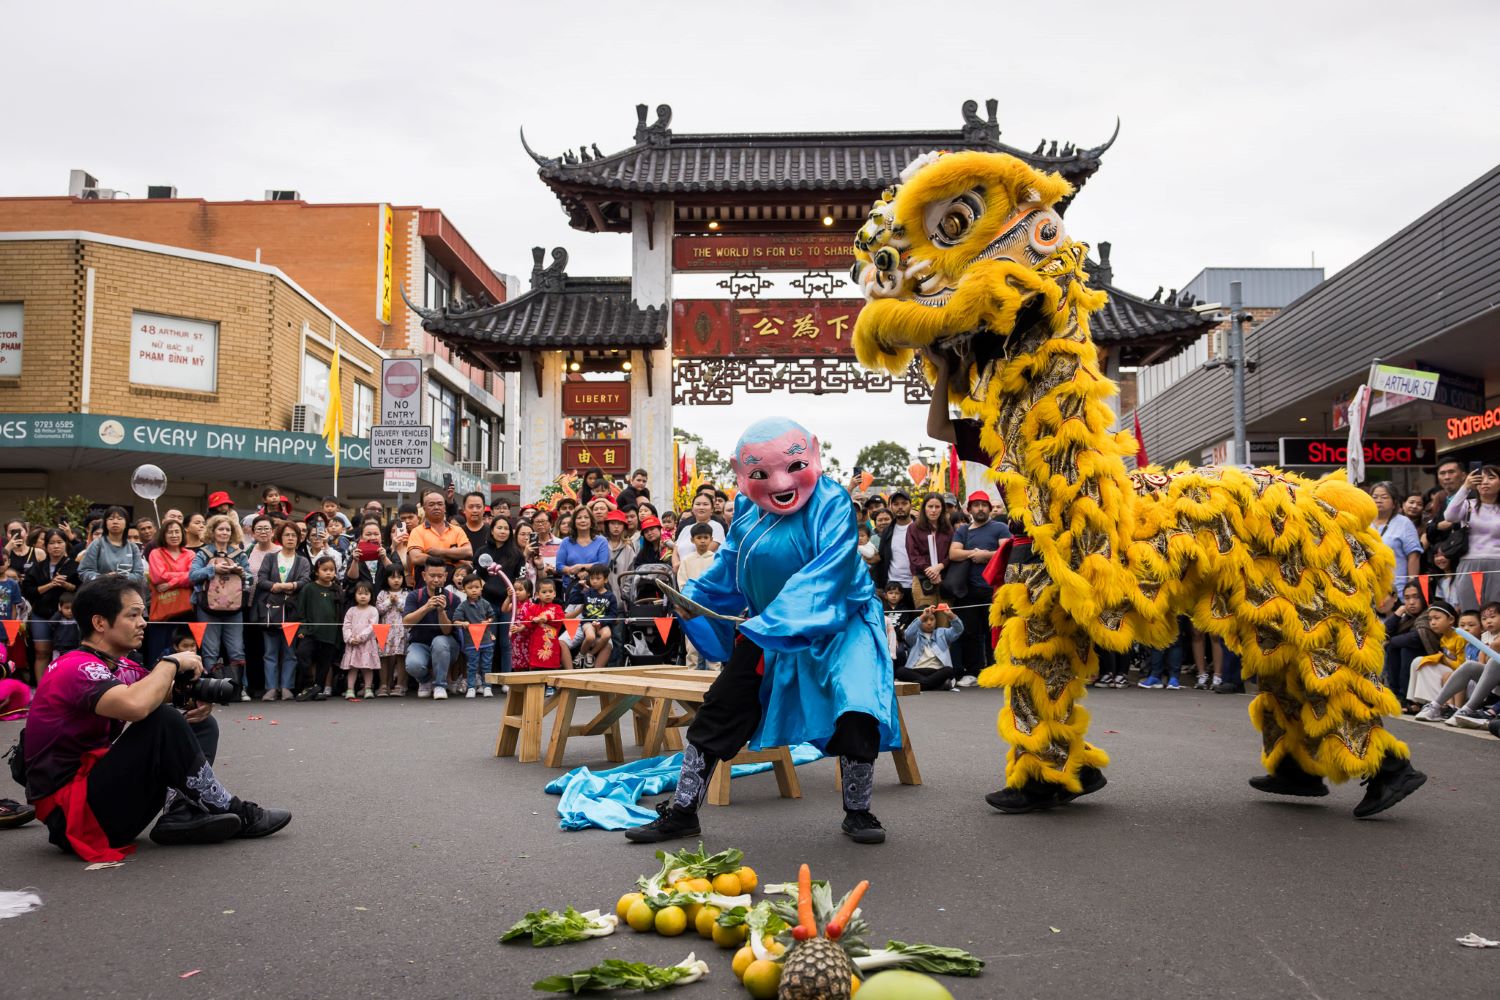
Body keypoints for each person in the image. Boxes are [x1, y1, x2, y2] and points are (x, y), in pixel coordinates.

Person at [626, 417, 900, 847]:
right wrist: (690, 600)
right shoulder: (748, 514)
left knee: (857, 705)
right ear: (739, 472)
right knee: (721, 706)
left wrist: (769, 623)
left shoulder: (831, 503)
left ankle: (858, 810)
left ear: (814, 452)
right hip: (769, 627)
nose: (779, 483)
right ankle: (682, 811)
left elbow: (829, 573)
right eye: (759, 474)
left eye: (793, 466)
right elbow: (727, 571)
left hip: (842, 625)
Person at [20, 576, 289, 860]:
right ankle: (230, 809)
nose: (143, 623)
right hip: (72, 815)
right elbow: (136, 706)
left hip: (98, 797)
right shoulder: (74, 667)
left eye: (142, 614)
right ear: (100, 623)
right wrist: (171, 661)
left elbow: (160, 692)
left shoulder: (118, 664)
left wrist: (195, 700)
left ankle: (180, 813)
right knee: (163, 719)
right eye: (132, 615)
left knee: (199, 723)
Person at [947, 491, 1010, 686]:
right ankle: (973, 672)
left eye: (984, 505)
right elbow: (953, 553)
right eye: (976, 505)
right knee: (971, 632)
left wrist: (986, 555)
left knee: (996, 630)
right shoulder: (963, 530)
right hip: (969, 590)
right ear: (969, 509)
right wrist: (973, 553)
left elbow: (1006, 551)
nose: (980, 508)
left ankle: (998, 670)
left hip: (995, 589)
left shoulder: (999, 527)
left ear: (990, 509)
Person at [189, 515, 250, 696]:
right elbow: (192, 576)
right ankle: (213, 689)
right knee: (210, 650)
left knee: (237, 649)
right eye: (221, 529)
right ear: (213, 532)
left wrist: (241, 573)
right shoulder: (203, 553)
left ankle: (239, 689)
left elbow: (252, 579)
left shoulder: (239, 554)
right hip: (208, 608)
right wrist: (212, 570)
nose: (224, 532)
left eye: (228, 530)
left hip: (234, 607)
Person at [1414, 601, 1500, 727]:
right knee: (1470, 665)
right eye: (1484, 618)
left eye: (1493, 617)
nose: (1488, 621)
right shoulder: (1486, 636)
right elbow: (1483, 663)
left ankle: (1467, 710)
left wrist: (1493, 647)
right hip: (1493, 681)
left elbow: (1494, 651)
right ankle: (1435, 706)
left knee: (1494, 662)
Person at [253, 522, 309, 701]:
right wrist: (275, 586)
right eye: (287, 535)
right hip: (271, 610)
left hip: (292, 611)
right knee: (270, 652)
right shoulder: (270, 558)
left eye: (294, 535)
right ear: (280, 537)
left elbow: (305, 580)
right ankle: (270, 688)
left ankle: (286, 687)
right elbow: (261, 579)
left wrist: (292, 585)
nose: (291, 538)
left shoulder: (302, 560)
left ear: (299, 538)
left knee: (290, 652)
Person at [402, 557, 460, 699]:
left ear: (446, 576)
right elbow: (406, 623)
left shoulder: (453, 599)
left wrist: (441, 611)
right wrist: (426, 607)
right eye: (432, 575)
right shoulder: (414, 596)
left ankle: (440, 685)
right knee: (413, 664)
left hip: (446, 646)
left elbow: (447, 631)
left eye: (440, 576)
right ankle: (426, 680)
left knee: (440, 642)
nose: (436, 580)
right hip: (420, 643)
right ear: (424, 575)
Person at [22, 529, 80, 668]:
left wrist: (66, 585)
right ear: (46, 546)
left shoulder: (74, 566)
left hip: (67, 616)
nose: (56, 546)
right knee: (41, 652)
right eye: (52, 543)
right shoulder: (37, 567)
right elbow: (28, 591)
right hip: (41, 614)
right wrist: (51, 584)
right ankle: (42, 688)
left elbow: (82, 589)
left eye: (59, 542)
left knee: (67, 652)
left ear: (65, 544)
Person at [1445, 465, 1500, 606]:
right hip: (1469, 562)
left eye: (1491, 478)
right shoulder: (1468, 505)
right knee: (1470, 611)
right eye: (1481, 478)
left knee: (1495, 613)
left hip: (1497, 563)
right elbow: (1449, 515)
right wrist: (1465, 487)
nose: (1485, 482)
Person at [144, 520, 194, 667]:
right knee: (158, 651)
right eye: (169, 532)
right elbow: (158, 576)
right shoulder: (155, 553)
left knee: (183, 649)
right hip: (162, 611)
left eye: (177, 531)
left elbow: (193, 577)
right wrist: (182, 577)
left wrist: (171, 583)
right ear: (163, 535)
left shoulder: (190, 553)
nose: (174, 535)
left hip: (186, 610)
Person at [293, 556, 343, 701]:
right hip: (310, 632)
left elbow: (339, 613)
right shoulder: (309, 588)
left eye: (331, 570)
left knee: (325, 663)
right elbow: (301, 611)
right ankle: (309, 684)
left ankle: (318, 689)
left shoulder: (337, 590)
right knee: (302, 654)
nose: (328, 573)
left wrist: (338, 634)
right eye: (324, 570)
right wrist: (302, 629)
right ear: (316, 571)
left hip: (330, 633)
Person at [477, 518, 522, 676]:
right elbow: (476, 576)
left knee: (506, 642)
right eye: (499, 528)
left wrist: (511, 596)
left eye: (506, 529)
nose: (503, 531)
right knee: (488, 642)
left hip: (508, 604)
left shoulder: (516, 553)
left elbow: (520, 578)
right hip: (486, 603)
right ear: (492, 530)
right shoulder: (482, 551)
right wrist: (485, 587)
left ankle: (506, 678)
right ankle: (485, 679)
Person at [1406, 600, 1467, 709]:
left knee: (1424, 664)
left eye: (1437, 618)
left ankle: (1439, 704)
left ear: (1451, 620)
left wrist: (1443, 659)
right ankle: (1416, 702)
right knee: (1418, 661)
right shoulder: (1443, 638)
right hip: (1450, 670)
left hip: (1460, 675)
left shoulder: (1460, 638)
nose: (1432, 622)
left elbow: (1462, 667)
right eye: (1430, 619)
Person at [1383, 582, 1434, 708]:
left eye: (1416, 597)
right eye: (1407, 598)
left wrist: (1391, 641)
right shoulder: (1405, 617)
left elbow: (1416, 638)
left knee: (1405, 648)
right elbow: (1383, 633)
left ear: (1424, 597)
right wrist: (1397, 614)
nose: (1411, 602)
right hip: (1410, 659)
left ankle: (1406, 697)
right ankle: (1396, 694)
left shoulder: (1431, 614)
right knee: (1393, 648)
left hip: (1431, 658)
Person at [1370, 481, 1422, 605]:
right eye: (1375, 497)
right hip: (1369, 587)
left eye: (1384, 497)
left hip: (1396, 587)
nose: (1378, 500)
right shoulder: (1364, 522)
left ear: (1394, 503)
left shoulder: (1404, 523)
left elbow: (1413, 555)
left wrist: (1412, 583)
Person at [407, 490, 471, 584]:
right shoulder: (417, 531)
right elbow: (416, 558)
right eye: (431, 504)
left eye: (440, 504)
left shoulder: (457, 530)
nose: (436, 507)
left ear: (444, 508)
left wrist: (439, 552)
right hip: (425, 585)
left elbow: (468, 552)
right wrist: (455, 559)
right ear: (424, 508)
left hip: (453, 585)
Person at [676, 523, 718, 669]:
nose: (702, 541)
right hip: (691, 609)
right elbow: (682, 584)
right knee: (692, 649)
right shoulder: (687, 560)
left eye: (706, 537)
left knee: (713, 646)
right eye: (699, 537)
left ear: (711, 539)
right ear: (692, 540)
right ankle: (691, 677)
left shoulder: (716, 559)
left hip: (711, 608)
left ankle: (714, 679)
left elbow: (718, 584)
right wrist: (691, 600)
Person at [78, 506, 146, 593]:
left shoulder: (133, 548)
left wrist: (120, 576)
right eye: (111, 519)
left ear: (126, 523)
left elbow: (139, 575)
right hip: (99, 593)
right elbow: (84, 571)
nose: (115, 522)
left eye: (120, 518)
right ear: (105, 523)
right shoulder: (97, 544)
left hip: (125, 594)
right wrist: (104, 578)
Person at [897, 606, 964, 691]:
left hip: (937, 671)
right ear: (919, 621)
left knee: (949, 670)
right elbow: (908, 634)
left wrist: (951, 615)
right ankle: (937, 686)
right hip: (917, 671)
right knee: (900, 671)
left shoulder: (942, 633)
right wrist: (922, 616)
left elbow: (958, 630)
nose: (929, 623)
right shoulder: (914, 636)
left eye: (932, 619)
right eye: (925, 620)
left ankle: (921, 685)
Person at [905, 493, 953, 611]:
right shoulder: (913, 528)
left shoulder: (948, 529)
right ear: (924, 508)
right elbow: (913, 554)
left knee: (944, 621)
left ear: (942, 509)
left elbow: (952, 552)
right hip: (922, 579)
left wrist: (940, 567)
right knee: (927, 622)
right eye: (930, 506)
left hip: (944, 579)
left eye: (937, 507)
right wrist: (930, 571)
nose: (933, 510)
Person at [453, 574, 496, 698]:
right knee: (472, 666)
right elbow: (455, 621)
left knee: (487, 665)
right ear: (464, 589)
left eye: (477, 587)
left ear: (481, 588)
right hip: (471, 642)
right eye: (470, 587)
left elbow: (492, 616)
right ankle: (471, 687)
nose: (474, 590)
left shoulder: (486, 603)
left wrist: (488, 621)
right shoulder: (462, 606)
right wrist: (463, 623)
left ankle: (487, 686)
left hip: (487, 640)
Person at [570, 564, 618, 669]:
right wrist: (578, 586)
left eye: (598, 578)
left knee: (607, 635)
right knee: (590, 636)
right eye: (592, 578)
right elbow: (573, 600)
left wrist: (601, 622)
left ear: (605, 580)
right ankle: (581, 655)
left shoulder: (610, 596)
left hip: (602, 623)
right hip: (588, 621)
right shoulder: (587, 592)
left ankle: (590, 654)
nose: (594, 581)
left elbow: (613, 615)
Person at [511, 575, 564, 670]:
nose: (548, 594)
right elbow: (527, 621)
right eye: (544, 592)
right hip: (536, 644)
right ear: (537, 595)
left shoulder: (557, 608)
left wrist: (546, 617)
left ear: (555, 594)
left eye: (550, 591)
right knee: (535, 669)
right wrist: (530, 621)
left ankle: (551, 685)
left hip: (550, 643)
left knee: (550, 670)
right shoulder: (533, 608)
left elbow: (560, 619)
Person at [340, 580, 380, 700]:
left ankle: (368, 688)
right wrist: (350, 638)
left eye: (366, 594)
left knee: (367, 667)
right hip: (353, 644)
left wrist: (361, 637)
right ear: (355, 595)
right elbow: (346, 626)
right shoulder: (351, 610)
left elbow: (372, 626)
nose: (363, 596)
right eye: (360, 593)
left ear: (371, 595)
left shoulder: (373, 610)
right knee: (353, 668)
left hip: (367, 643)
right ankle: (350, 689)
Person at [375, 566, 411, 697]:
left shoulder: (407, 593)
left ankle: (400, 685)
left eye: (399, 577)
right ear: (386, 578)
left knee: (401, 656)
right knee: (383, 657)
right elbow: (378, 610)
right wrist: (389, 601)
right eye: (392, 577)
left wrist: (398, 601)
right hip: (384, 629)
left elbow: (408, 609)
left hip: (402, 630)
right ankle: (384, 685)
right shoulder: (382, 594)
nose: (396, 580)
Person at [874, 490, 914, 603]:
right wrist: (880, 586)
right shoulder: (887, 531)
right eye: (896, 504)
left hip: (917, 586)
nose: (900, 507)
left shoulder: (920, 528)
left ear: (911, 505)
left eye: (904, 503)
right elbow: (881, 559)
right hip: (893, 588)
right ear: (891, 506)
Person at [556, 506, 609, 592]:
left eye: (586, 517)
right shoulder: (566, 542)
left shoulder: (601, 541)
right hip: (571, 589)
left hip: (596, 590)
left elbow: (603, 564)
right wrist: (572, 571)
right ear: (574, 522)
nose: (583, 520)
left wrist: (582, 567)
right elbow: (559, 566)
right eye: (579, 518)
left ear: (591, 521)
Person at [673, 493, 724, 566]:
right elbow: (675, 551)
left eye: (705, 504)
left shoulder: (716, 527)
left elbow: (705, 551)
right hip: (682, 572)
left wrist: (683, 564)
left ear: (712, 509)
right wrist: (676, 565)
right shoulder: (686, 529)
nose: (701, 507)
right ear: (693, 509)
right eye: (698, 504)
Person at [458, 491, 491, 559]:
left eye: (478, 507)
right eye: (471, 507)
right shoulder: (457, 532)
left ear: (484, 509)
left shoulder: (492, 531)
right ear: (464, 509)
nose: (475, 510)